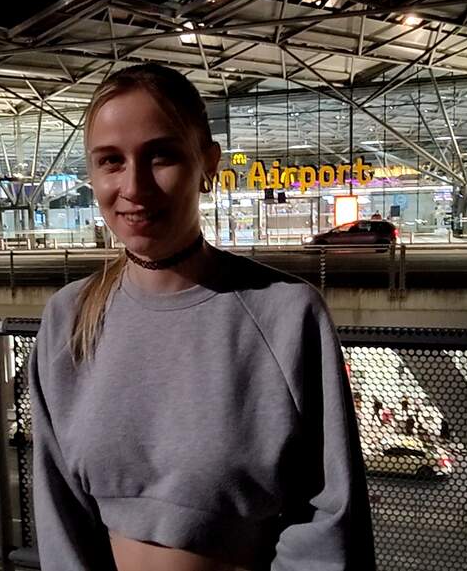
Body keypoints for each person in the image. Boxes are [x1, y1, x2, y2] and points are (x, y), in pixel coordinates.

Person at [29, 64, 374, 571]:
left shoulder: (286, 314)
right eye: (111, 161)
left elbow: (330, 519)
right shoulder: (69, 319)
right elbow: (61, 513)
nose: (134, 186)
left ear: (208, 164)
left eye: (161, 156)